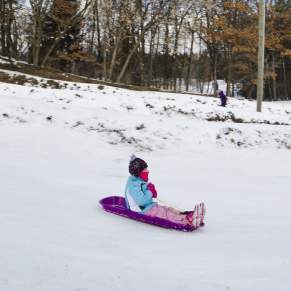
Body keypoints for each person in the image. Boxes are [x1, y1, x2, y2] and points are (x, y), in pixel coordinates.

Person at [124, 155, 193, 225]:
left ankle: (184, 214)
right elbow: (141, 201)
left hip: (148, 207)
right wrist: (150, 191)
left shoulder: (138, 180)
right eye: (145, 169)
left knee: (166, 209)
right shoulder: (133, 185)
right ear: (138, 172)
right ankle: (186, 220)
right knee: (164, 214)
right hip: (141, 210)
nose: (147, 171)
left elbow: (144, 194)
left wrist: (150, 190)